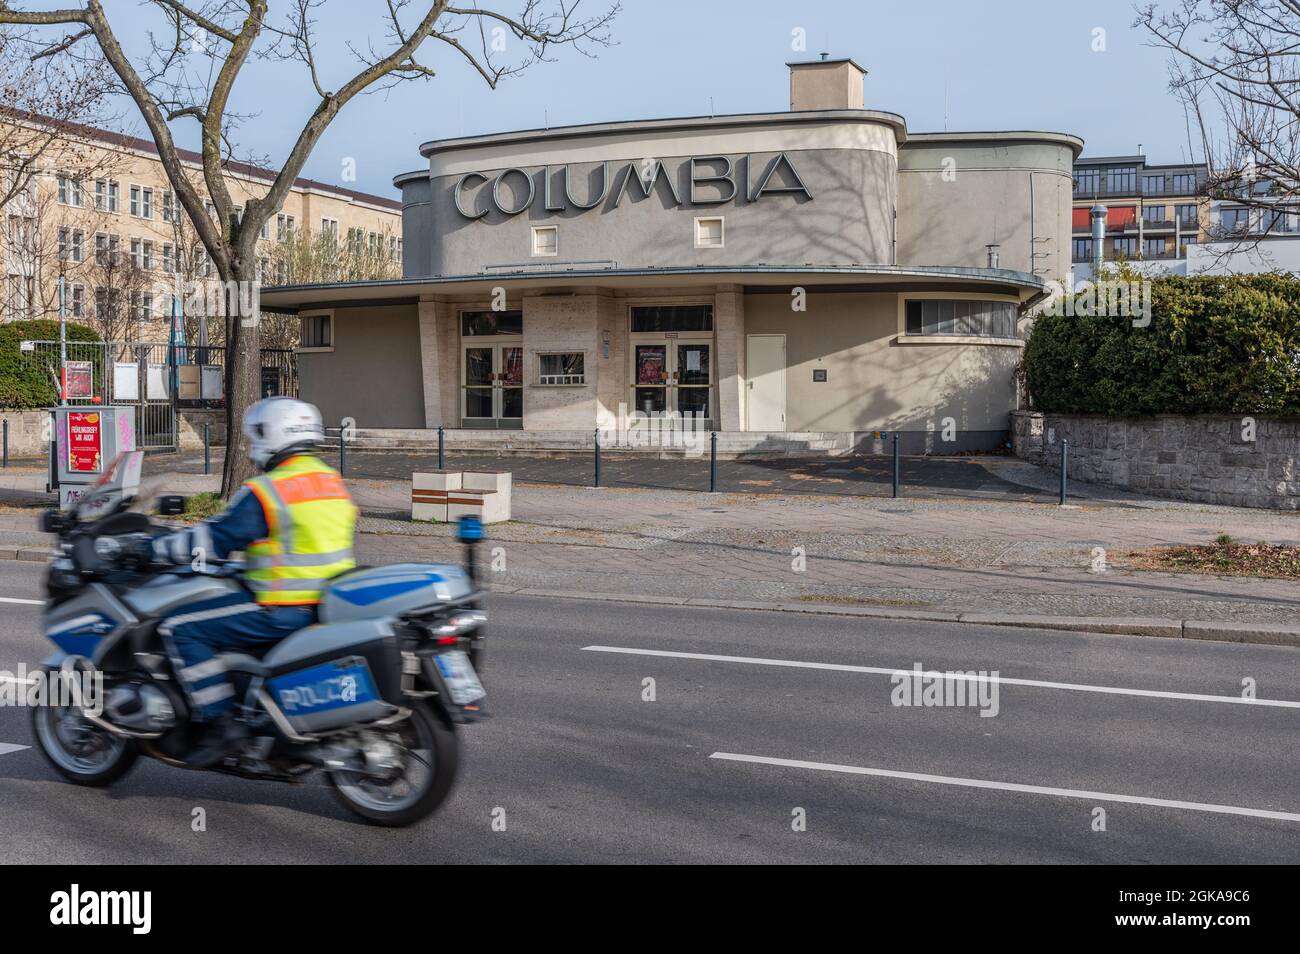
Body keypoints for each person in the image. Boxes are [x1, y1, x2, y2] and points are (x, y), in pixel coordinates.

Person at [150, 397, 357, 765]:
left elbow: (216, 540)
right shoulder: (330, 480)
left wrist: (157, 549)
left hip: (281, 607)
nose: (252, 446)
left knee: (180, 628)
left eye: (256, 435)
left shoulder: (271, 490)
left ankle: (220, 723)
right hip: (329, 604)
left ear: (272, 435)